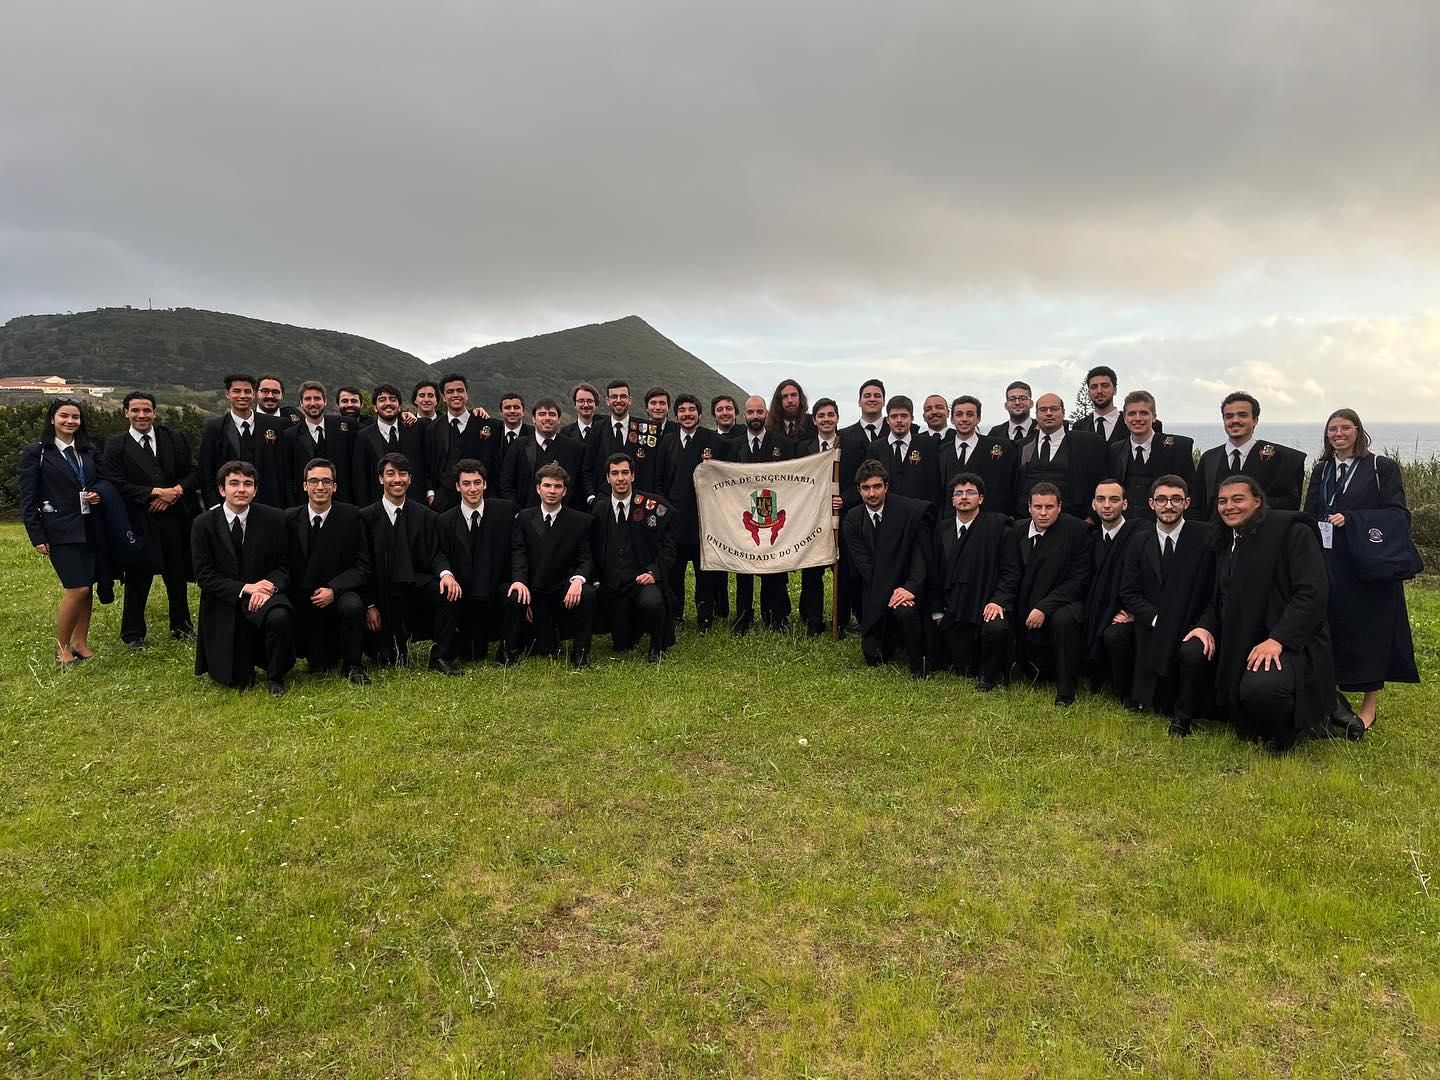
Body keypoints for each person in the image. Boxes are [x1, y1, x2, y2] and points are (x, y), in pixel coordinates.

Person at [1185, 476, 1333, 752]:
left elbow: (1312, 593)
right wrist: (1205, 626)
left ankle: (1286, 732)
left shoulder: (1292, 533)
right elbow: (1221, 597)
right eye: (1222, 501)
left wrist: (1278, 639)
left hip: (1290, 640)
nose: (1229, 506)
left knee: (1262, 688)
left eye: (1238, 499)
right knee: (1192, 651)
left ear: (1257, 501)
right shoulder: (1226, 540)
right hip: (1241, 637)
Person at [1303, 409, 1419, 734]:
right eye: (1332, 429)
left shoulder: (1382, 467)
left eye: (1345, 427)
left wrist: (1352, 519)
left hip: (1369, 564)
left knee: (1372, 633)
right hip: (1331, 563)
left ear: (1358, 430)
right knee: (1331, 630)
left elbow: (1398, 515)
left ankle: (1369, 707)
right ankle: (1332, 703)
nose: (1338, 434)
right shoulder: (1322, 469)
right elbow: (1310, 511)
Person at [99, 391, 198, 649]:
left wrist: (175, 492)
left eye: (146, 410)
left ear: (154, 412)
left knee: (176, 575)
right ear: (126, 413)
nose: (141, 415)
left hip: (174, 518)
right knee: (138, 578)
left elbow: (192, 472)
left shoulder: (173, 438)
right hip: (138, 520)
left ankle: (182, 627)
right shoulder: (117, 445)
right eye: (135, 410)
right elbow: (114, 482)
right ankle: (133, 634)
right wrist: (153, 492)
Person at [1120, 475, 1215, 734]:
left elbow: (1213, 590)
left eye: (1176, 499)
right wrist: (1157, 619)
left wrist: (1202, 625)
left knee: (1194, 652)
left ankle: (1183, 716)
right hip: (1153, 621)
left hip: (1192, 623)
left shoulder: (1203, 537)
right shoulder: (1139, 541)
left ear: (1187, 503)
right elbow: (1128, 591)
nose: (1169, 505)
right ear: (1152, 503)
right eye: (1162, 499)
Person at [192, 460, 296, 693]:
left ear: (255, 490)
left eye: (248, 484)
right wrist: (246, 588)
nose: (241, 489)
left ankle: (276, 677)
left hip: (266, 595)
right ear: (222, 489)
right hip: (226, 600)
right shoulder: (203, 524)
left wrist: (268, 588)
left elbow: (285, 566)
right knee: (239, 679)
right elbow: (204, 575)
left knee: (280, 616)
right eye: (234, 483)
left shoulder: (274, 519)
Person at [989, 482, 1093, 705]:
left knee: (1064, 619)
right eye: (1038, 507)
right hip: (1023, 598)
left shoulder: (1077, 531)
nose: (1043, 513)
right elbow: (1008, 572)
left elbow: (1078, 581)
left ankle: (1066, 690)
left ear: (1060, 507)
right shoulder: (1016, 530)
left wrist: (1044, 607)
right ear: (1029, 507)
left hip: (1063, 600)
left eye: (1049, 507)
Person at [19, 398, 105, 666]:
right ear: (52, 419)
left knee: (87, 587)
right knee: (77, 588)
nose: (70, 421)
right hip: (59, 530)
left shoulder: (88, 451)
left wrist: (97, 493)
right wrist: (37, 536)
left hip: (89, 527)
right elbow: (28, 498)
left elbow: (101, 481)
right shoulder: (37, 452)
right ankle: (62, 647)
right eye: (64, 416)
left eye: (75, 417)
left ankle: (80, 642)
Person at [359, 453, 460, 672]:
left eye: (403, 474)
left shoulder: (426, 515)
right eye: (390, 474)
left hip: (416, 584)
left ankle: (440, 657)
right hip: (383, 593)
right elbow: (362, 566)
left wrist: (446, 574)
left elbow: (436, 553)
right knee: (388, 657)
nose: (397, 479)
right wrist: (369, 604)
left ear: (410, 479)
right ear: (380, 479)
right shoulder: (365, 518)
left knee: (448, 593)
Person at [283, 457, 371, 684]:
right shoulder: (289, 518)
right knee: (320, 665)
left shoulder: (351, 516)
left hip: (339, 593)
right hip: (303, 598)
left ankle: (353, 665)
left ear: (335, 486)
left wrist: (334, 589)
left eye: (326, 481)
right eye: (313, 481)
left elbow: (362, 566)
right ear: (305, 486)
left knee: (353, 605)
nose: (320, 486)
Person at [843, 460, 930, 676]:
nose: (872, 493)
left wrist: (908, 589)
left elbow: (920, 560)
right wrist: (891, 593)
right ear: (859, 490)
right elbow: (865, 567)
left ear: (886, 486)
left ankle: (918, 664)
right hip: (875, 586)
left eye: (877, 486)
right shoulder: (852, 519)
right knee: (873, 656)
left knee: (905, 609)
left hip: (908, 584)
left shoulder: (909, 512)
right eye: (866, 488)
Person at [928, 472, 1016, 685]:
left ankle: (988, 676)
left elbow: (1010, 572)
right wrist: (937, 610)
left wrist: (998, 601)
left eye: (970, 492)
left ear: (981, 498)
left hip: (986, 602)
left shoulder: (998, 528)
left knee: (996, 627)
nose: (964, 497)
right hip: (952, 607)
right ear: (952, 500)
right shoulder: (941, 529)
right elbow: (934, 572)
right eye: (958, 493)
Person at [506, 463, 596, 667]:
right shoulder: (524, 518)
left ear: (565, 491)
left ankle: (580, 654)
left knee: (587, 593)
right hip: (536, 590)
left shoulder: (580, 521)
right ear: (538, 488)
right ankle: (509, 651)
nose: (552, 491)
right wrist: (520, 583)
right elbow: (518, 554)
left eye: (557, 486)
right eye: (547, 485)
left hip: (564, 590)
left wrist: (578, 580)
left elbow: (586, 559)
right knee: (542, 647)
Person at [655, 393, 732, 630]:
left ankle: (705, 616)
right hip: (674, 520)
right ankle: (675, 615)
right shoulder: (666, 441)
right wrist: (665, 512)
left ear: (699, 413)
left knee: (704, 573)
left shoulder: (714, 441)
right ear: (676, 414)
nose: (687, 414)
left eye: (691, 410)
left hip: (703, 520)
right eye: (682, 410)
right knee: (674, 573)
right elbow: (659, 482)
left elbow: (727, 481)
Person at [591, 453, 675, 662]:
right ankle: (633, 630)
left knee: (652, 602)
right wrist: (596, 578)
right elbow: (593, 547)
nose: (620, 478)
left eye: (625, 473)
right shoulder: (599, 509)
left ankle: (656, 646)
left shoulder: (651, 506)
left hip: (641, 581)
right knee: (623, 645)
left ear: (633, 476)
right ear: (607, 478)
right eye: (615, 473)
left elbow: (668, 548)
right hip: (613, 585)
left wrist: (654, 572)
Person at [434, 459, 517, 669]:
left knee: (515, 593)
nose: (473, 489)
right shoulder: (445, 520)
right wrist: (446, 574)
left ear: (485, 484)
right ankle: (443, 654)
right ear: (457, 486)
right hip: (463, 594)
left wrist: (519, 580)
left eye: (477, 482)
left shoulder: (505, 511)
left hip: (495, 587)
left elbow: (517, 549)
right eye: (466, 483)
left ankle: (506, 651)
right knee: (472, 653)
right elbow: (438, 553)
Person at [796, 397, 862, 635]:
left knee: (842, 573)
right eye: (821, 416)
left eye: (830, 415)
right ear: (814, 420)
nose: (826, 419)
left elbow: (861, 482)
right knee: (812, 572)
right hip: (813, 520)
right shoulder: (803, 448)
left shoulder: (853, 447)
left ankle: (840, 620)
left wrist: (844, 499)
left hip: (842, 520)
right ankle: (814, 621)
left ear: (837, 418)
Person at [731, 395, 797, 633]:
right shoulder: (733, 446)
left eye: (760, 412)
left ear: (767, 414)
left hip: (774, 512)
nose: (755, 416)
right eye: (751, 412)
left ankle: (776, 618)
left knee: (775, 568)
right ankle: (743, 618)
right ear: (744, 415)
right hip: (744, 516)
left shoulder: (783, 444)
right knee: (743, 570)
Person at [1081, 479, 1144, 703]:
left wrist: (1132, 611)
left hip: (1128, 611)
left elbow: (1147, 580)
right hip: (1097, 607)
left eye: (1114, 499)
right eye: (1101, 499)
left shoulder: (1140, 535)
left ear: (1124, 504)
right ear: (1094, 504)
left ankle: (1123, 689)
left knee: (1115, 635)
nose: (1107, 505)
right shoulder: (1090, 538)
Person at [1195, 392, 1306, 515]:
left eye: (1242, 415)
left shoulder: (1280, 458)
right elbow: (1198, 502)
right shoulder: (1209, 459)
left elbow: (1290, 503)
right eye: (1229, 416)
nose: (1235, 420)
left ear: (1255, 420)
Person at [197, 373, 287, 508]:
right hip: (229, 505)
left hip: (269, 504)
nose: (242, 396)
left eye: (247, 391)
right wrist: (214, 506)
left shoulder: (276, 425)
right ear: (227, 394)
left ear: (254, 394)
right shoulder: (214, 428)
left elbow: (284, 468)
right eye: (237, 391)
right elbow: (206, 470)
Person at [1017, 392, 1108, 519]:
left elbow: (1100, 479)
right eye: (1043, 410)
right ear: (1036, 415)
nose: (1049, 413)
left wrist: (1091, 517)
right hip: (1027, 519)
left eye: (1054, 409)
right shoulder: (1022, 446)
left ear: (1063, 412)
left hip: (1073, 520)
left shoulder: (1086, 443)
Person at [1109, 390, 1196, 520]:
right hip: (1126, 525)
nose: (1137, 418)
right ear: (1125, 419)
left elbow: (1191, 493)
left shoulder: (1178, 448)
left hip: (1165, 524)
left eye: (1144, 413)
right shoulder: (1115, 450)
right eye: (1132, 414)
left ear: (1154, 417)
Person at [425, 373, 503, 512]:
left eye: (460, 390)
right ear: (443, 397)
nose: (456, 394)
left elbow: (496, 465)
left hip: (481, 499)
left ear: (467, 394)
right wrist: (431, 494)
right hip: (444, 501)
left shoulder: (489, 425)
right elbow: (428, 463)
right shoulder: (433, 428)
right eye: (450, 391)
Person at [940, 396, 1021, 523]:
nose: (964, 419)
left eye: (970, 414)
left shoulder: (1003, 448)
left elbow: (1011, 486)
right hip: (950, 523)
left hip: (989, 522)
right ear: (952, 419)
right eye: (959, 414)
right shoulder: (942, 452)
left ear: (978, 418)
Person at [498, 398, 586, 510]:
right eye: (542, 414)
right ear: (534, 419)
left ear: (559, 419)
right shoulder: (519, 445)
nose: (547, 418)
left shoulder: (575, 448)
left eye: (552, 414)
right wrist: (517, 511)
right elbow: (506, 482)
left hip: (564, 515)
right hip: (524, 513)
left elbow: (579, 485)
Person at [281, 381, 358, 507]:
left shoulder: (344, 426)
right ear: (301, 403)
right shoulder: (290, 435)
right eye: (308, 399)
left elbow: (370, 428)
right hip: (305, 505)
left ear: (325, 401)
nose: (313, 403)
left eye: (317, 398)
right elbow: (288, 477)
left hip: (342, 503)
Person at [353, 383, 429, 506]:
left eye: (393, 399)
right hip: (377, 506)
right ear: (375, 407)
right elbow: (360, 477)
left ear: (399, 406)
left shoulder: (415, 429)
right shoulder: (364, 436)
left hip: (415, 504)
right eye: (382, 400)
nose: (388, 403)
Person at [866, 395, 942, 509]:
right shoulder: (875, 448)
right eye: (894, 416)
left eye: (904, 416)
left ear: (912, 418)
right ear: (887, 420)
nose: (899, 420)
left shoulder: (929, 445)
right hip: (886, 513)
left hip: (920, 513)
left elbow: (934, 485)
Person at [584, 380, 641, 503]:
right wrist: (591, 497)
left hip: (636, 501)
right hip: (603, 500)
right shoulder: (597, 428)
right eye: (614, 396)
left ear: (630, 400)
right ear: (607, 401)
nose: (618, 400)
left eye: (623, 396)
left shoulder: (642, 428)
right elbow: (588, 466)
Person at [1070, 366, 1126, 443]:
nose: (1099, 391)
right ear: (1088, 393)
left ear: (1115, 390)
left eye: (1105, 385)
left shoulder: (1130, 423)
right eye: (1094, 387)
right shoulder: (1079, 427)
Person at [841, 378, 888, 444]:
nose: (872, 399)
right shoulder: (843, 436)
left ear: (884, 402)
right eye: (867, 396)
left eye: (877, 396)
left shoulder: (895, 432)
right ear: (859, 402)